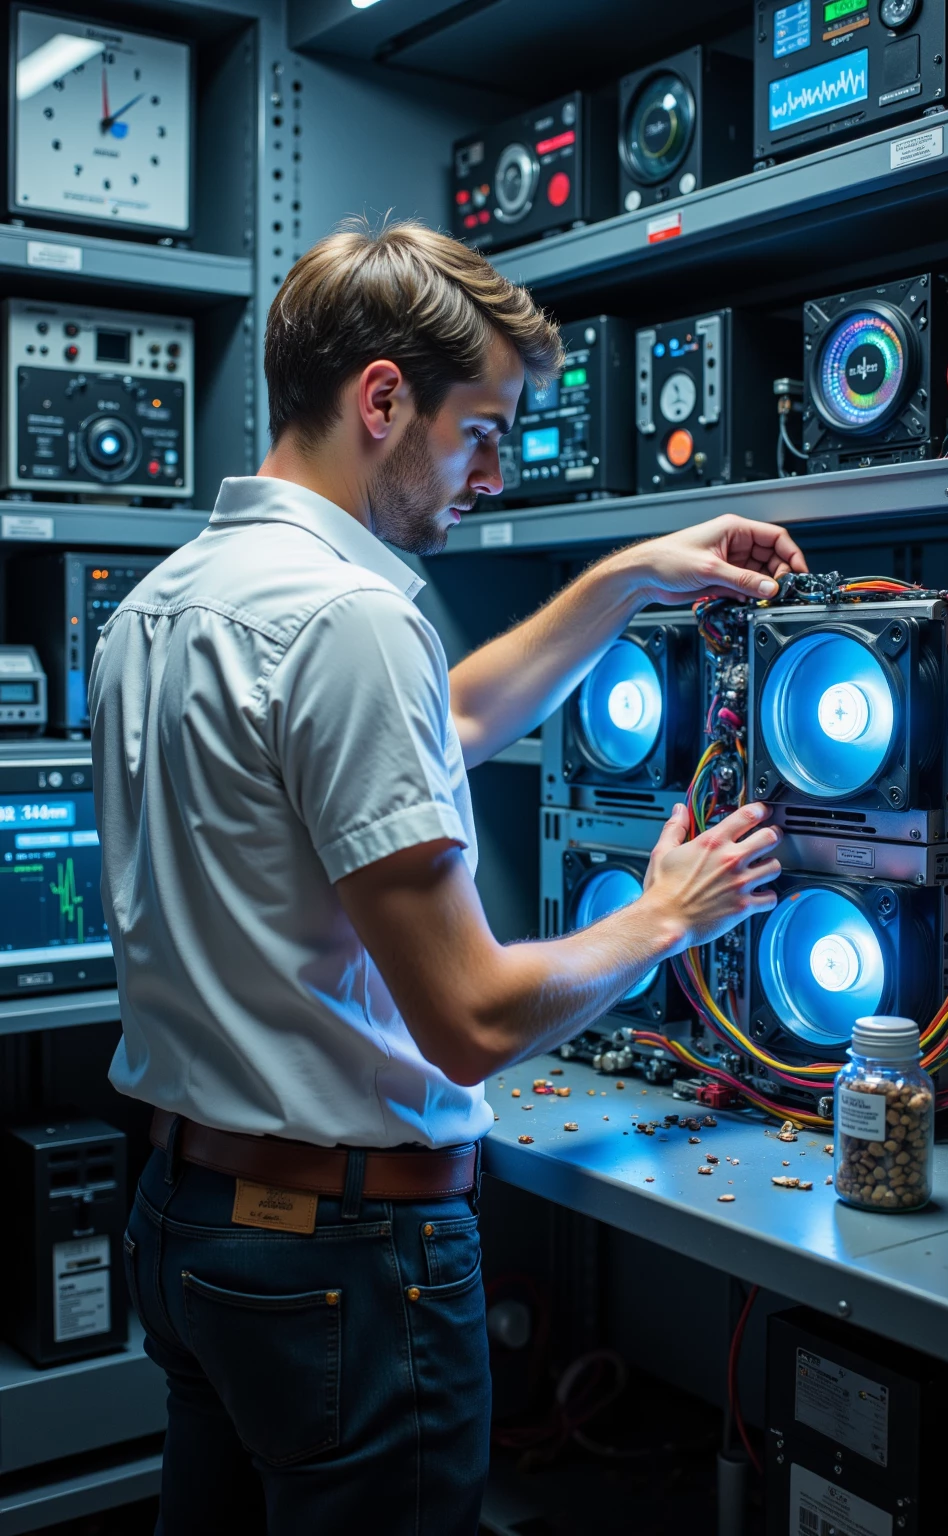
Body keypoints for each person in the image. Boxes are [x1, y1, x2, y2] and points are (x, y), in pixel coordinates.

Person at [90, 217, 807, 1536]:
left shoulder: (166, 606)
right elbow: (471, 1022)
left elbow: (448, 725)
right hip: (343, 1265)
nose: (492, 474)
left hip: (191, 1232)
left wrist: (626, 577)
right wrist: (667, 916)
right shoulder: (354, 621)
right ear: (381, 399)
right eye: (481, 431)